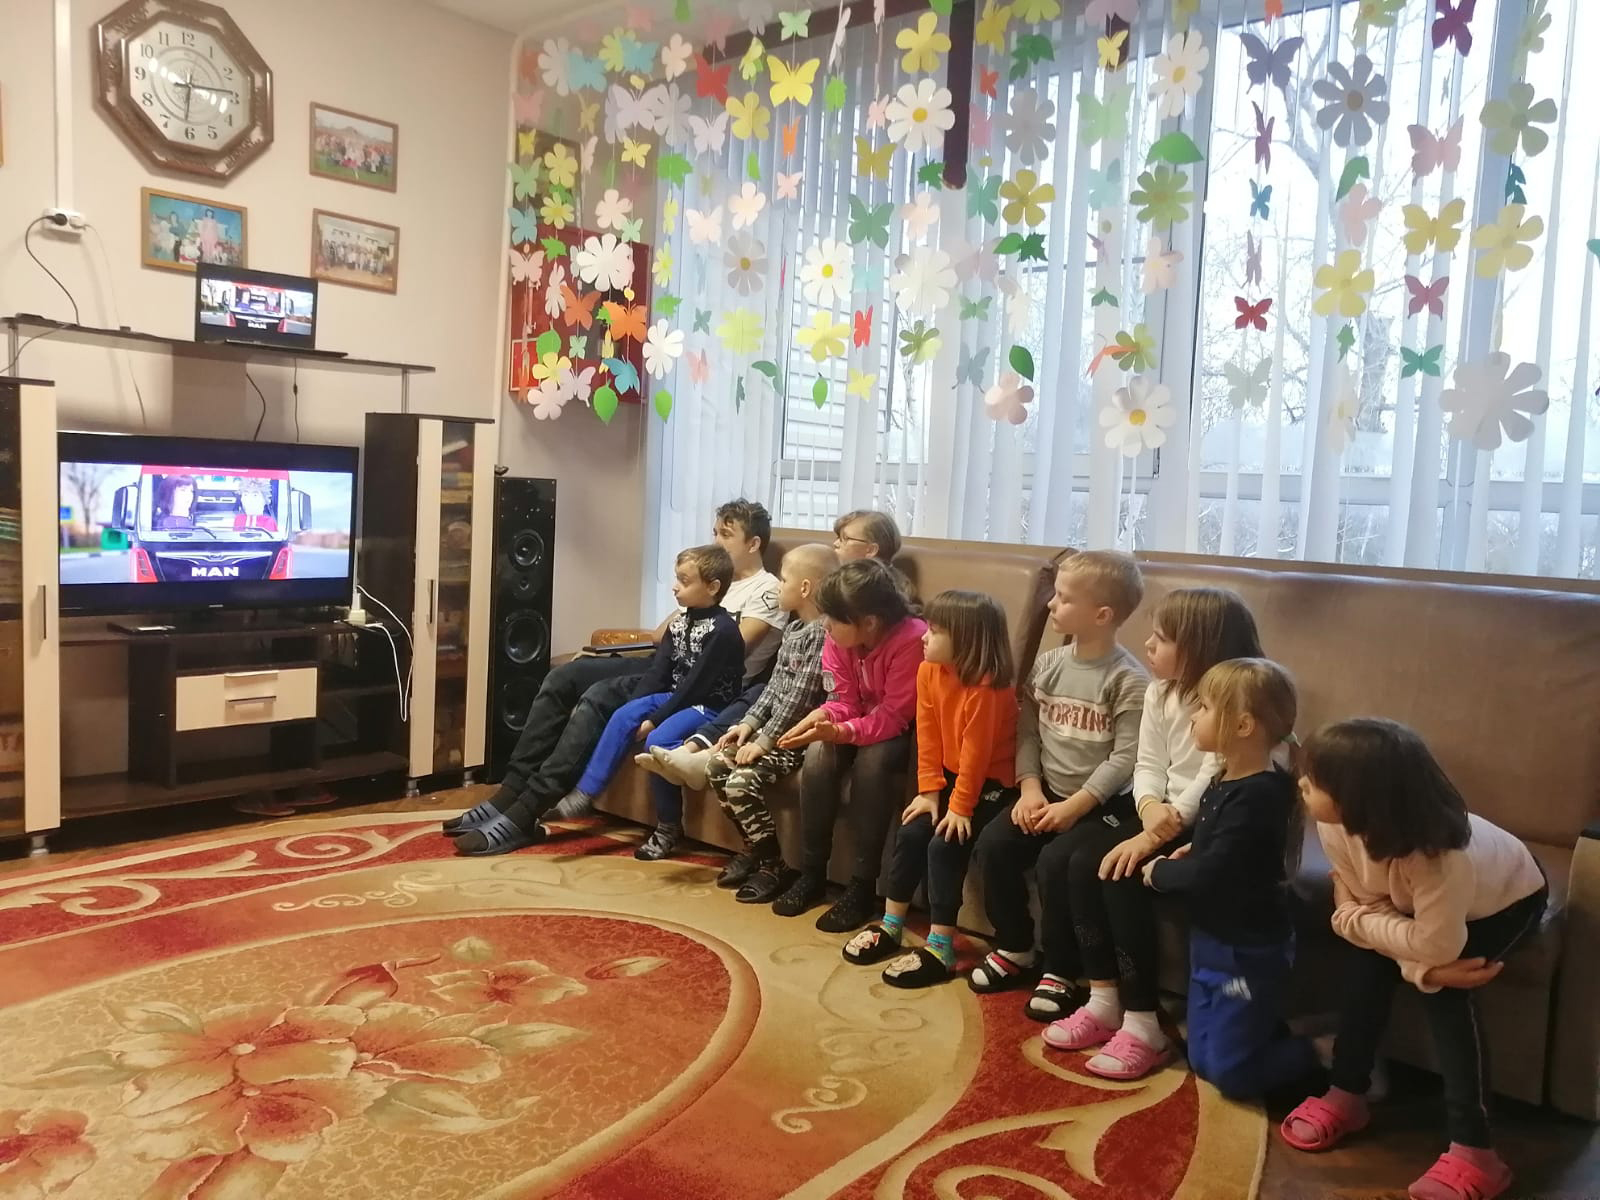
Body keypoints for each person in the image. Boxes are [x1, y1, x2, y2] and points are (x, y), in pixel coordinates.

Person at [1281, 719, 1547, 1200]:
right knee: (1368, 970)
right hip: (1413, 910)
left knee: (1447, 991)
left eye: (1316, 780)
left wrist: (1421, 962)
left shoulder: (1441, 856)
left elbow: (1434, 945)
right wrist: (1412, 960)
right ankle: (1347, 1091)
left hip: (1505, 899)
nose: (1302, 782)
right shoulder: (1333, 822)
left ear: (1364, 798)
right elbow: (1363, 905)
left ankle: (1476, 1150)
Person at [442, 498, 779, 838]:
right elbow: (661, 637)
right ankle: (512, 789)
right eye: (714, 533)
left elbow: (734, 645)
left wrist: (704, 605)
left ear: (753, 544)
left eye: (726, 535)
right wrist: (694, 601)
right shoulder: (706, 582)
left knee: (599, 696)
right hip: (664, 666)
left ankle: (532, 804)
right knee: (563, 676)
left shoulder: (767, 590)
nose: (716, 542)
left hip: (698, 685)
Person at [1083, 588, 1267, 1079]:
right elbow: (1147, 763)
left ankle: (1143, 1020)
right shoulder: (1159, 691)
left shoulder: (1236, 706)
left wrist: (1158, 832)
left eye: (1161, 639)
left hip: (1200, 818)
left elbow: (1218, 772)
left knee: (1121, 873)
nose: (1148, 646)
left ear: (1201, 648)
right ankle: (1103, 997)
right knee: (1078, 860)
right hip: (1158, 811)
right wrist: (1146, 810)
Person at [966, 551, 1147, 1024]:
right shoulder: (1048, 665)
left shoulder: (1128, 679)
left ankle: (1062, 970)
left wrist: (1077, 806)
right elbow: (1027, 733)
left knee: (1055, 863)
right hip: (1043, 794)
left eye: (1064, 599)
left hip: (1099, 805)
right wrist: (1029, 788)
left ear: (1101, 615)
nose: (1050, 605)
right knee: (994, 845)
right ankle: (1016, 946)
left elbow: (1126, 758)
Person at [1141, 659, 1314, 1097]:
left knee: (1230, 1074)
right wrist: (1196, 846)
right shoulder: (1223, 777)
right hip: (1211, 940)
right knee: (1201, 1059)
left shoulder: (1261, 794)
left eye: (1203, 708)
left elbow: (1214, 874)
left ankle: (1324, 1049)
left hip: (1247, 949)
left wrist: (1160, 872)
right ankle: (1264, 1032)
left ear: (1241, 725)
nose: (1194, 716)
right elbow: (1221, 845)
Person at [644, 509, 905, 791]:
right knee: (756, 695)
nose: (836, 544)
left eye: (844, 538)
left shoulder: (855, 619)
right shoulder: (800, 627)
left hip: (834, 716)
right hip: (817, 706)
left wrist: (765, 737)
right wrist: (753, 723)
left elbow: (807, 694)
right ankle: (699, 753)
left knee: (758, 702)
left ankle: (702, 754)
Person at [842, 590, 1018, 988]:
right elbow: (928, 735)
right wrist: (929, 791)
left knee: (945, 843)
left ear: (968, 640)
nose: (924, 636)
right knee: (912, 830)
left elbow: (976, 755)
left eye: (935, 631)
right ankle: (891, 925)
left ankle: (940, 945)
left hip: (991, 783)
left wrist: (960, 808)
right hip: (952, 779)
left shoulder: (989, 687)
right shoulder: (928, 671)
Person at [770, 558, 926, 931]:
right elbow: (843, 699)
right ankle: (812, 873)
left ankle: (861, 886)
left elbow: (893, 715)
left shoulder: (912, 640)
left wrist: (841, 731)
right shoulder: (838, 637)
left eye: (834, 618)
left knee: (873, 763)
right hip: (859, 721)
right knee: (817, 754)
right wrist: (823, 718)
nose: (824, 625)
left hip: (900, 730)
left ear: (869, 622)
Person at [696, 543, 838, 892]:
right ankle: (756, 849)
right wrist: (747, 724)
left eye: (784, 580)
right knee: (716, 765)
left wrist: (763, 741)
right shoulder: (793, 630)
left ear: (805, 588)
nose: (777, 587)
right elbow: (773, 689)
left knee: (740, 782)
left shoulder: (821, 633)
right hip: (774, 733)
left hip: (798, 738)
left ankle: (774, 865)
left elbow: (800, 699)